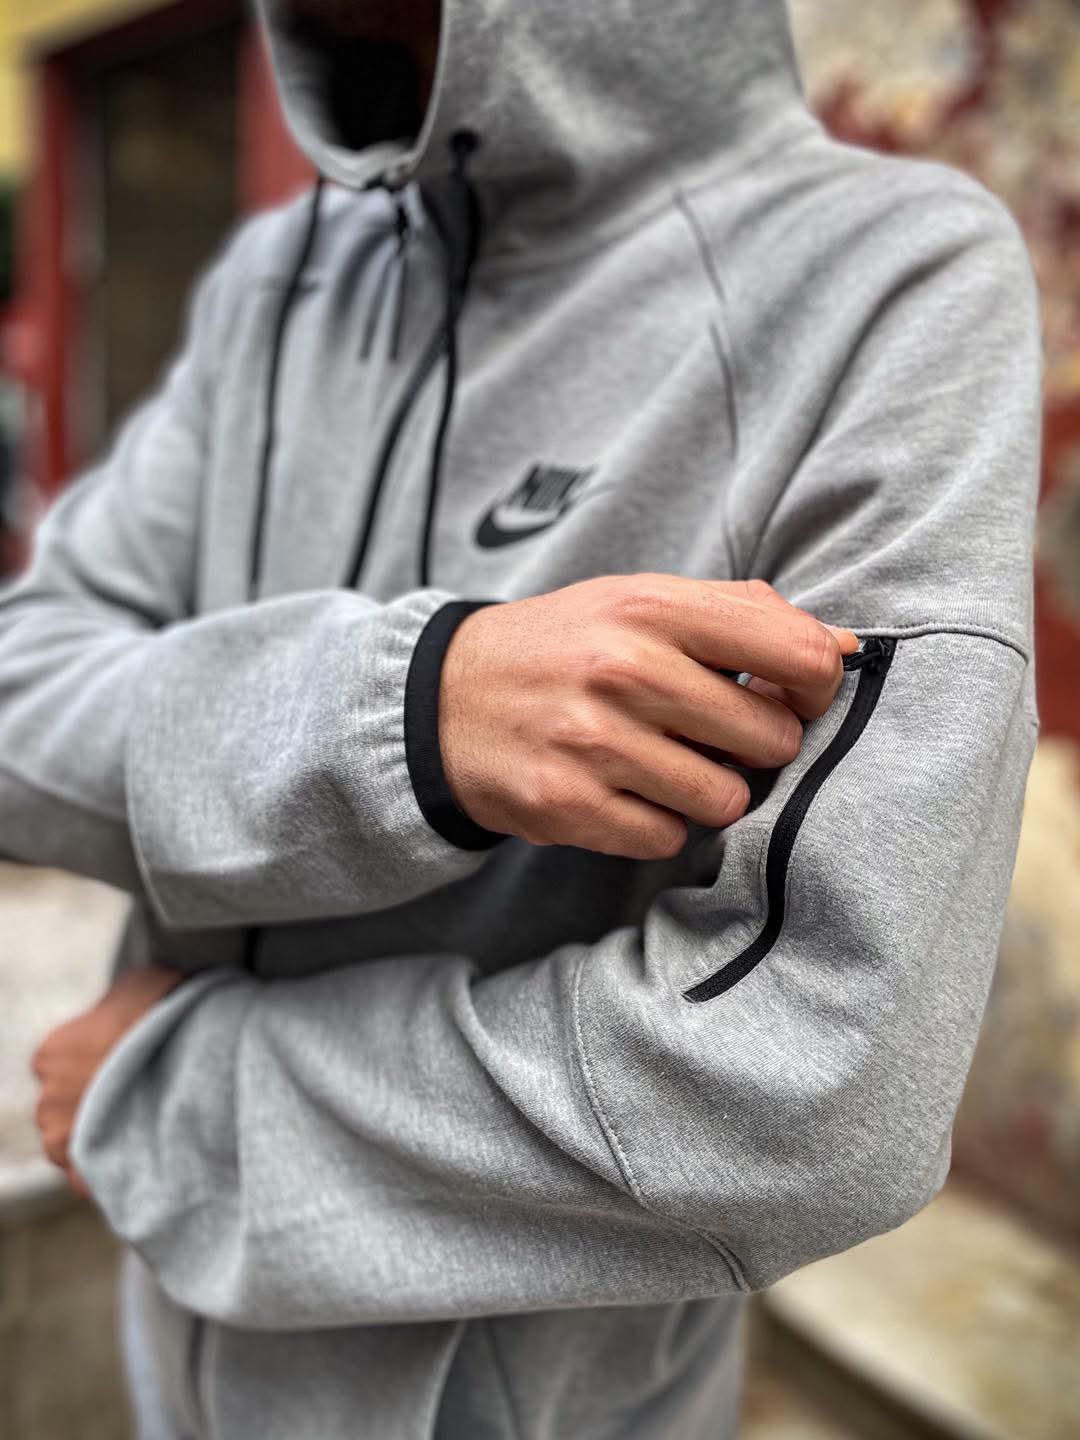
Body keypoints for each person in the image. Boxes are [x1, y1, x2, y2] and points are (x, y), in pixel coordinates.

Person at [8, 0, 1041, 1436]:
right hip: (177, 1367)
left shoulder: (880, 274)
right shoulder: (273, 281)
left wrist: (184, 1104)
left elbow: (820, 1093)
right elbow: (20, 689)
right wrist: (411, 713)